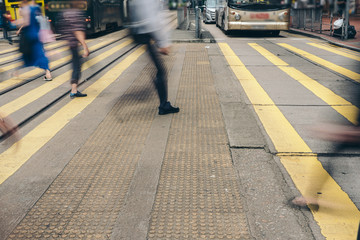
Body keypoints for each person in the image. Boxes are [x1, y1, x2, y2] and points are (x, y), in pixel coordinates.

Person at [128, 0, 180, 115]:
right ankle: (163, 105)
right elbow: (153, 19)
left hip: (140, 32)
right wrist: (163, 43)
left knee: (159, 69)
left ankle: (163, 103)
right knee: (161, 70)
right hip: (145, 33)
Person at [58, 6, 89, 99]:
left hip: (69, 44)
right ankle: (74, 90)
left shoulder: (65, 12)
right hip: (74, 44)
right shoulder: (76, 13)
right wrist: (85, 47)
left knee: (75, 66)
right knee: (77, 67)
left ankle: (74, 90)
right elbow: (77, 31)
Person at [16, 0, 52, 81]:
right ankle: (48, 73)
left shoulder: (25, 9)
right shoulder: (35, 8)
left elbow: (26, 22)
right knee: (39, 53)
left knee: (26, 53)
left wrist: (15, 23)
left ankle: (17, 71)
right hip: (37, 34)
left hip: (29, 35)